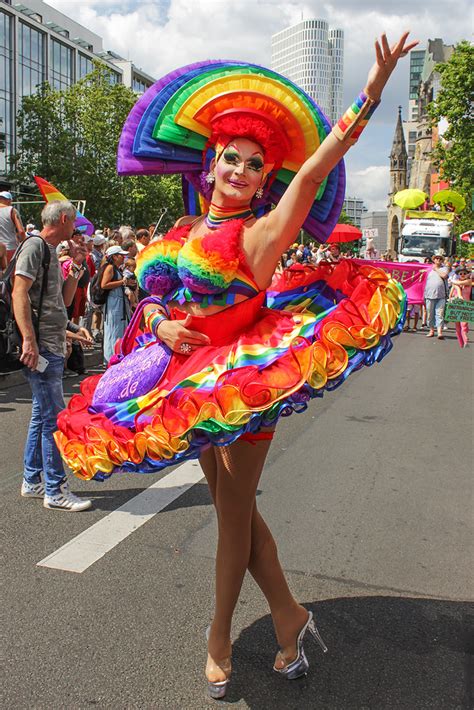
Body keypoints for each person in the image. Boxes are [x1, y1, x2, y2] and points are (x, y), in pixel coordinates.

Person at [56, 33, 415, 698]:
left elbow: (313, 169)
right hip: (185, 381)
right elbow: (153, 298)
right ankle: (290, 619)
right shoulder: (179, 234)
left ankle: (218, 638)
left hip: (244, 381)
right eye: (232, 158)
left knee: (230, 517)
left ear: (261, 176)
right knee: (237, 512)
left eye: (254, 163)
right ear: (210, 163)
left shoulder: (265, 230)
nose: (242, 170)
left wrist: (369, 94)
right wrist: (163, 323)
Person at [12, 200, 92, 512]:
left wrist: (78, 264)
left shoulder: (49, 252)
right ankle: (55, 491)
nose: (76, 229)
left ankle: (33, 481)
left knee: (41, 416)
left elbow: (61, 302)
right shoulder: (35, 247)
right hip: (42, 347)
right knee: (55, 421)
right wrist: (30, 341)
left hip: (51, 343)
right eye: (74, 223)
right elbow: (19, 293)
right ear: (62, 218)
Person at [101, 245, 131, 363]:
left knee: (119, 331)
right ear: (114, 257)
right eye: (121, 255)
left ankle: (117, 357)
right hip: (113, 304)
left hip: (118, 303)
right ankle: (110, 359)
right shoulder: (110, 268)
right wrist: (122, 282)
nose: (123, 257)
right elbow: (104, 285)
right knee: (113, 331)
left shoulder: (117, 268)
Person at [424, 253, 449, 339]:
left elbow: (444, 276)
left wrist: (436, 269)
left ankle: (439, 332)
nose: (438, 260)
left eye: (440, 259)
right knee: (430, 314)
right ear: (434, 260)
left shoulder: (444, 268)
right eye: (436, 258)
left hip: (441, 295)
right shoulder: (428, 269)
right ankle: (431, 330)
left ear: (442, 260)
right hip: (429, 294)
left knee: (440, 314)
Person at [449, 266, 472, 348]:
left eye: (464, 273)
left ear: (467, 274)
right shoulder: (455, 283)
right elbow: (452, 291)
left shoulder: (469, 281)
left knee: (464, 324)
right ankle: (461, 343)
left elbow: (459, 283)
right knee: (457, 325)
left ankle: (465, 340)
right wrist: (450, 298)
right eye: (460, 273)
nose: (462, 274)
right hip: (456, 304)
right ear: (458, 274)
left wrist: (452, 280)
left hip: (466, 305)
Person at [0, 190, 26, 262]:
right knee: (10, 272)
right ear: (9, 200)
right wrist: (25, 245)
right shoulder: (12, 210)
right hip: (9, 248)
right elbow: (21, 232)